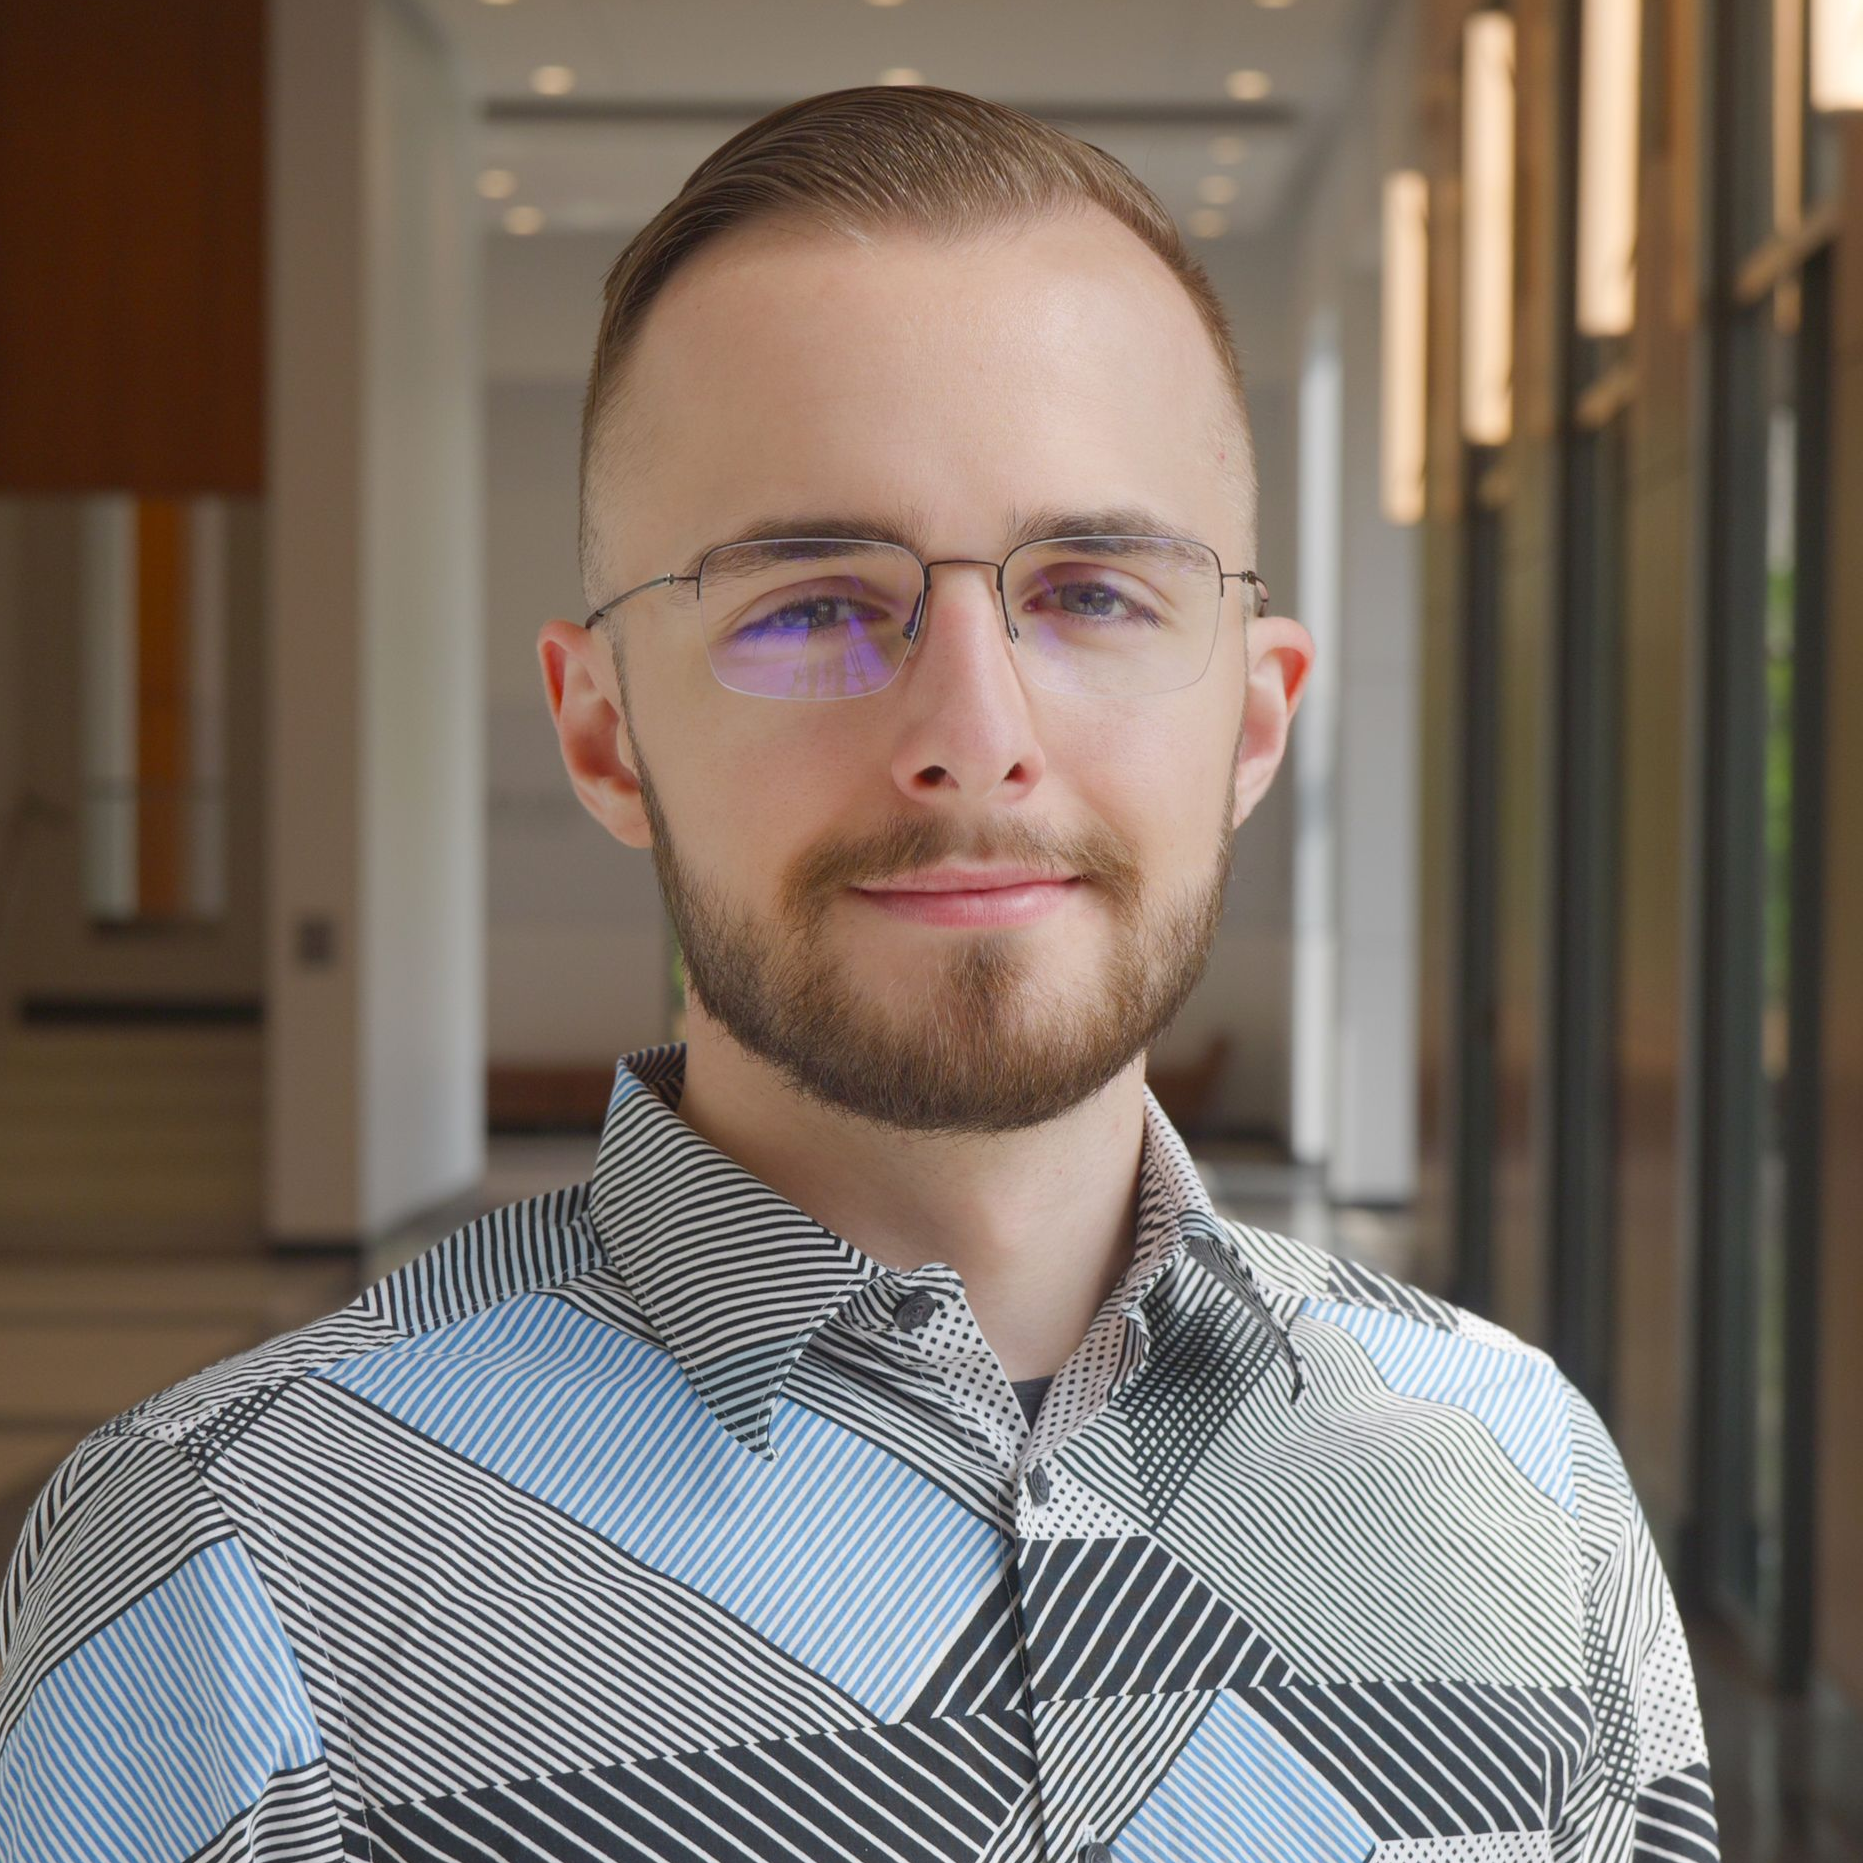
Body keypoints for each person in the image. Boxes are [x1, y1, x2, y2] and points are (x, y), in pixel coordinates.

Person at [0, 85, 1717, 1863]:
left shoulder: (1526, 1486)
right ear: (603, 733)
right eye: (811, 605)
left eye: (1093, 593)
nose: (971, 733)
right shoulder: (226, 1562)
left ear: (1254, 718)